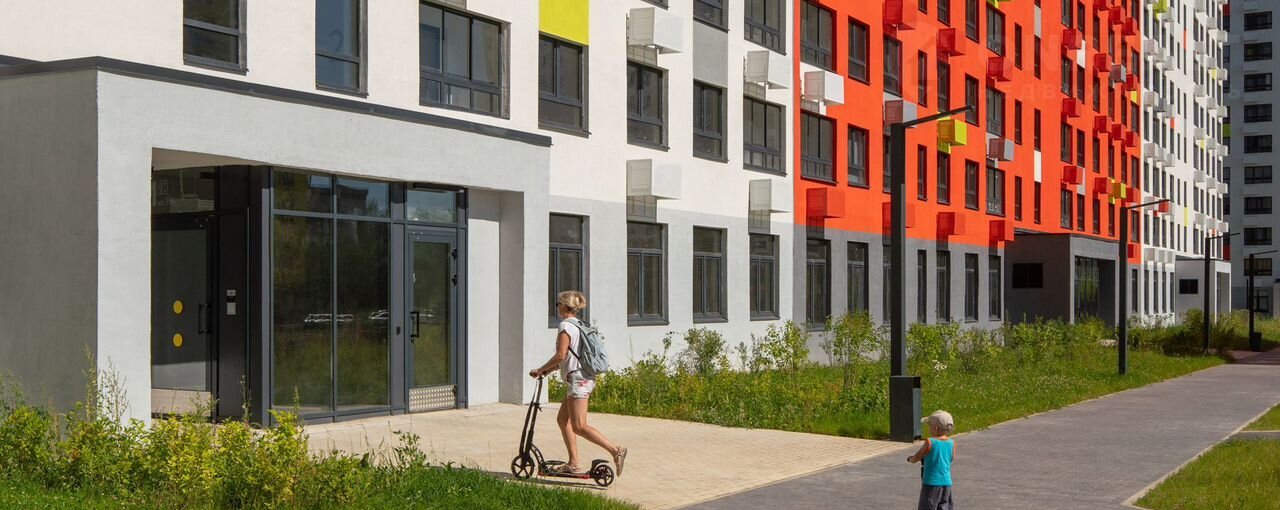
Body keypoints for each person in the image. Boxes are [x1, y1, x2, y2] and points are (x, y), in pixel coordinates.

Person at [529, 290, 628, 476]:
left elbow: (561, 355)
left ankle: (616, 451)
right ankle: (573, 463)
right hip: (581, 378)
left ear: (564, 306)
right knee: (562, 419)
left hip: (579, 380)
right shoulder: (579, 325)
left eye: (558, 304)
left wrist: (540, 369)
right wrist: (547, 371)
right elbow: (569, 357)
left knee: (579, 425)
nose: (557, 307)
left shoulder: (565, 326)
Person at [908, 410, 955, 510]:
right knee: (944, 506)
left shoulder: (930, 442)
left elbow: (918, 456)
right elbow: (950, 458)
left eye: (930, 425)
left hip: (931, 483)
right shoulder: (952, 443)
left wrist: (912, 459)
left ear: (935, 428)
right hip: (946, 483)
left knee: (928, 506)